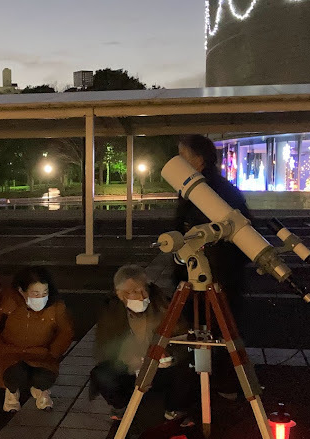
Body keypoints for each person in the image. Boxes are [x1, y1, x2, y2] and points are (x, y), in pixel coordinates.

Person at [174, 134, 253, 399]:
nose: (178, 161)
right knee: (220, 328)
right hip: (220, 271)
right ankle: (220, 382)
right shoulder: (218, 187)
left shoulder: (208, 190)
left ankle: (217, 382)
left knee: (217, 329)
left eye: (182, 155)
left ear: (198, 160)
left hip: (216, 272)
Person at [89, 265, 196, 424]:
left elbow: (184, 337)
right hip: (131, 370)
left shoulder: (164, 305)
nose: (138, 296)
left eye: (141, 290)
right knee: (102, 373)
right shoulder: (111, 312)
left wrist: (170, 353)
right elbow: (104, 347)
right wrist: (127, 358)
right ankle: (122, 406)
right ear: (119, 294)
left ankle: (174, 407)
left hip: (162, 368)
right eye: (130, 292)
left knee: (189, 367)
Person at [0, 266, 74, 412]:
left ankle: (40, 390)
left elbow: (66, 331)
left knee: (44, 377)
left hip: (41, 355)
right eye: (35, 293)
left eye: (44, 293)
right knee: (14, 374)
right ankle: (12, 392)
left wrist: (53, 352)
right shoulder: (8, 303)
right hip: (11, 354)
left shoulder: (56, 306)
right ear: (22, 291)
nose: (41, 298)